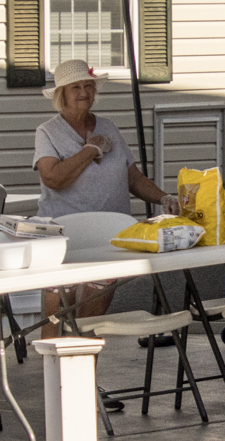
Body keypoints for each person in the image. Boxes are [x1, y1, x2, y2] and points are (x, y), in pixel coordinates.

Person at [32, 58, 181, 337]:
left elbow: (132, 177)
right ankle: (52, 365)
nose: (84, 92)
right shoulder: (48, 131)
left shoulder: (108, 127)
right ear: (61, 94)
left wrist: (165, 198)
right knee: (59, 314)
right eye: (75, 87)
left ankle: (84, 365)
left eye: (88, 86)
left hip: (108, 237)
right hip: (65, 239)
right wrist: (90, 150)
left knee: (93, 317)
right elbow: (53, 178)